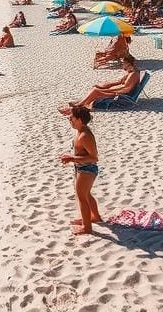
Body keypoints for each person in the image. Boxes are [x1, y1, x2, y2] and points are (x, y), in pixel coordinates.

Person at [60, 105, 101, 236]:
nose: (69, 120)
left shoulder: (84, 135)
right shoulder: (80, 131)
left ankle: (87, 228)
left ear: (80, 120)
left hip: (87, 169)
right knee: (86, 194)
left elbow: (94, 157)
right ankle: (95, 217)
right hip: (81, 167)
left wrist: (72, 158)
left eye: (72, 118)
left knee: (81, 196)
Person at [59, 55, 141, 113]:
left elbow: (126, 89)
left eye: (123, 63)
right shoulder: (131, 72)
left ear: (128, 63)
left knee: (95, 91)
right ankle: (80, 102)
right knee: (96, 89)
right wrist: (102, 86)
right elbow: (119, 82)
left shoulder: (132, 75)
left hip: (121, 96)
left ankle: (78, 106)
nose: (122, 64)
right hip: (120, 93)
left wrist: (106, 90)